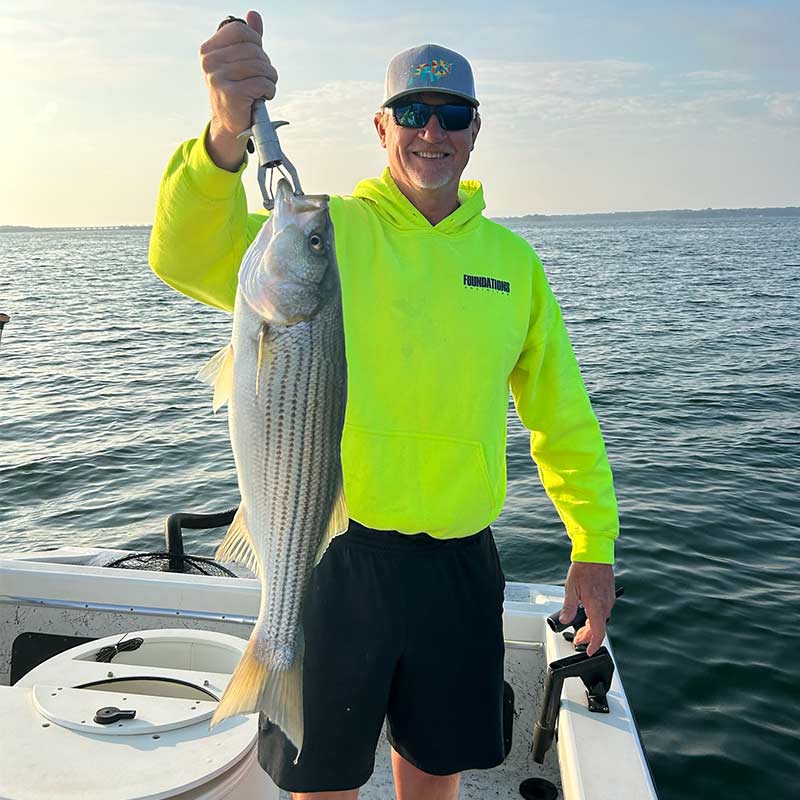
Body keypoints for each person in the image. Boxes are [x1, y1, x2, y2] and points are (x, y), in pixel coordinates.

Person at [149, 11, 619, 800]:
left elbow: (561, 416)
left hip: (460, 565)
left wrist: (594, 543)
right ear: (380, 125)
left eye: (451, 115)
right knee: (323, 783)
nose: (430, 131)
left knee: (433, 773)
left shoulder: (515, 264)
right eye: (411, 113)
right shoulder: (325, 232)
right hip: (334, 554)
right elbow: (184, 255)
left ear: (475, 131)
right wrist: (224, 140)